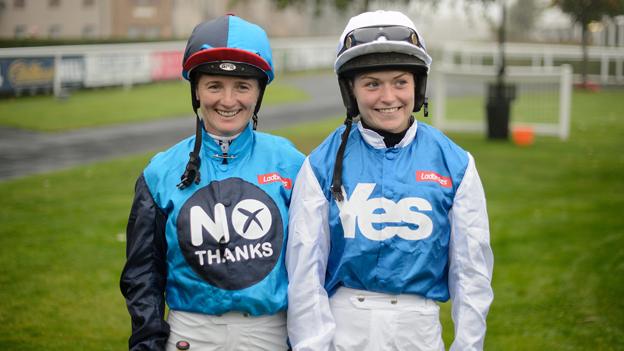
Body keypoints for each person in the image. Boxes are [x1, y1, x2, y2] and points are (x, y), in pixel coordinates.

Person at [286, 10, 493, 351]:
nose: (388, 97)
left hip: (419, 332)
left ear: (417, 85)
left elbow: (471, 273)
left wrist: (468, 345)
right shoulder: (321, 164)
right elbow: (304, 271)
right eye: (372, 84)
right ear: (351, 90)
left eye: (400, 82)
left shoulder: (455, 164)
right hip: (342, 329)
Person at [120, 14, 305, 351]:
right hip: (190, 335)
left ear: (259, 92)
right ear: (197, 90)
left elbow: (312, 265)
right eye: (214, 85)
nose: (228, 100)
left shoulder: (292, 164)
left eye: (243, 86)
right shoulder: (160, 173)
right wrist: (147, 340)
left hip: (271, 335)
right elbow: (143, 275)